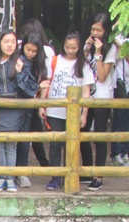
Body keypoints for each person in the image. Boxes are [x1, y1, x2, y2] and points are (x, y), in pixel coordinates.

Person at [39, 31, 93, 191]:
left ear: (79, 47)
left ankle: (70, 175)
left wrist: (84, 113)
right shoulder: (54, 61)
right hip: (55, 110)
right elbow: (46, 83)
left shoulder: (83, 65)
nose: (70, 50)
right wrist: (42, 104)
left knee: (72, 144)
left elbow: (86, 91)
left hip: (74, 112)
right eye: (67, 47)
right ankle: (55, 177)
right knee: (55, 144)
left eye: (74, 48)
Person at [0, 28, 37, 193]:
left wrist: (19, 72)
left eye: (12, 42)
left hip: (14, 107)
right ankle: (1, 177)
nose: (9, 45)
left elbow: (29, 88)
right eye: (6, 42)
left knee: (11, 144)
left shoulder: (21, 60)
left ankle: (9, 178)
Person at [82, 12, 118, 191]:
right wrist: (87, 50)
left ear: (106, 31)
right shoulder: (87, 45)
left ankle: (99, 175)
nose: (95, 33)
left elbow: (102, 76)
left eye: (99, 30)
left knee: (100, 136)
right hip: (87, 95)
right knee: (82, 132)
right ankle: (88, 169)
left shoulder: (111, 48)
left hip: (103, 96)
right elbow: (82, 68)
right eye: (93, 29)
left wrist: (97, 52)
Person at [14, 31, 49, 188]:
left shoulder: (38, 62)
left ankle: (21, 172)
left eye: (34, 51)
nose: (30, 53)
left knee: (24, 140)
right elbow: (23, 85)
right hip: (16, 103)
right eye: (28, 49)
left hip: (29, 107)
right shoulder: (19, 59)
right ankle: (10, 172)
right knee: (11, 139)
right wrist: (38, 87)